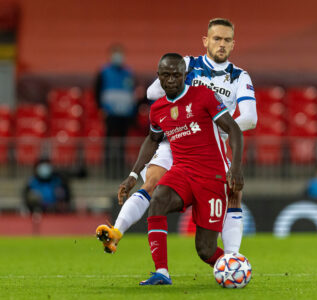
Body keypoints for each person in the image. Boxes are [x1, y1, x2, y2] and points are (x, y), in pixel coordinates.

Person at [96, 18, 257, 255]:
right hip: (176, 142)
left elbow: (250, 118)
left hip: (210, 148)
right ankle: (116, 233)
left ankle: (232, 258)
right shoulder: (188, 64)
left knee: (234, 193)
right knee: (151, 183)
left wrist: (211, 128)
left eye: (226, 40)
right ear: (206, 41)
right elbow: (152, 92)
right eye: (216, 39)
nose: (221, 44)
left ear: (233, 44)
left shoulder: (239, 77)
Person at [99, 53, 243, 285]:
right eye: (166, 75)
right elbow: (152, 139)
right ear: (159, 77)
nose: (172, 80)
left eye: (177, 74)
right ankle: (162, 272)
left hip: (211, 175)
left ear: (185, 75)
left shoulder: (203, 96)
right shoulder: (157, 109)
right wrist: (132, 175)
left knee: (205, 250)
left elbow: (233, 129)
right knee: (158, 199)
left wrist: (235, 167)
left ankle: (234, 266)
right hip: (182, 171)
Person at [94, 44, 137, 178]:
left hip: (125, 114)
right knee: (109, 143)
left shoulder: (129, 73)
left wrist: (132, 112)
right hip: (110, 113)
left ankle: (120, 170)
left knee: (122, 144)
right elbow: (97, 91)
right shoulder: (103, 71)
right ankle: (108, 170)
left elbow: (132, 92)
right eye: (115, 54)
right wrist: (101, 108)